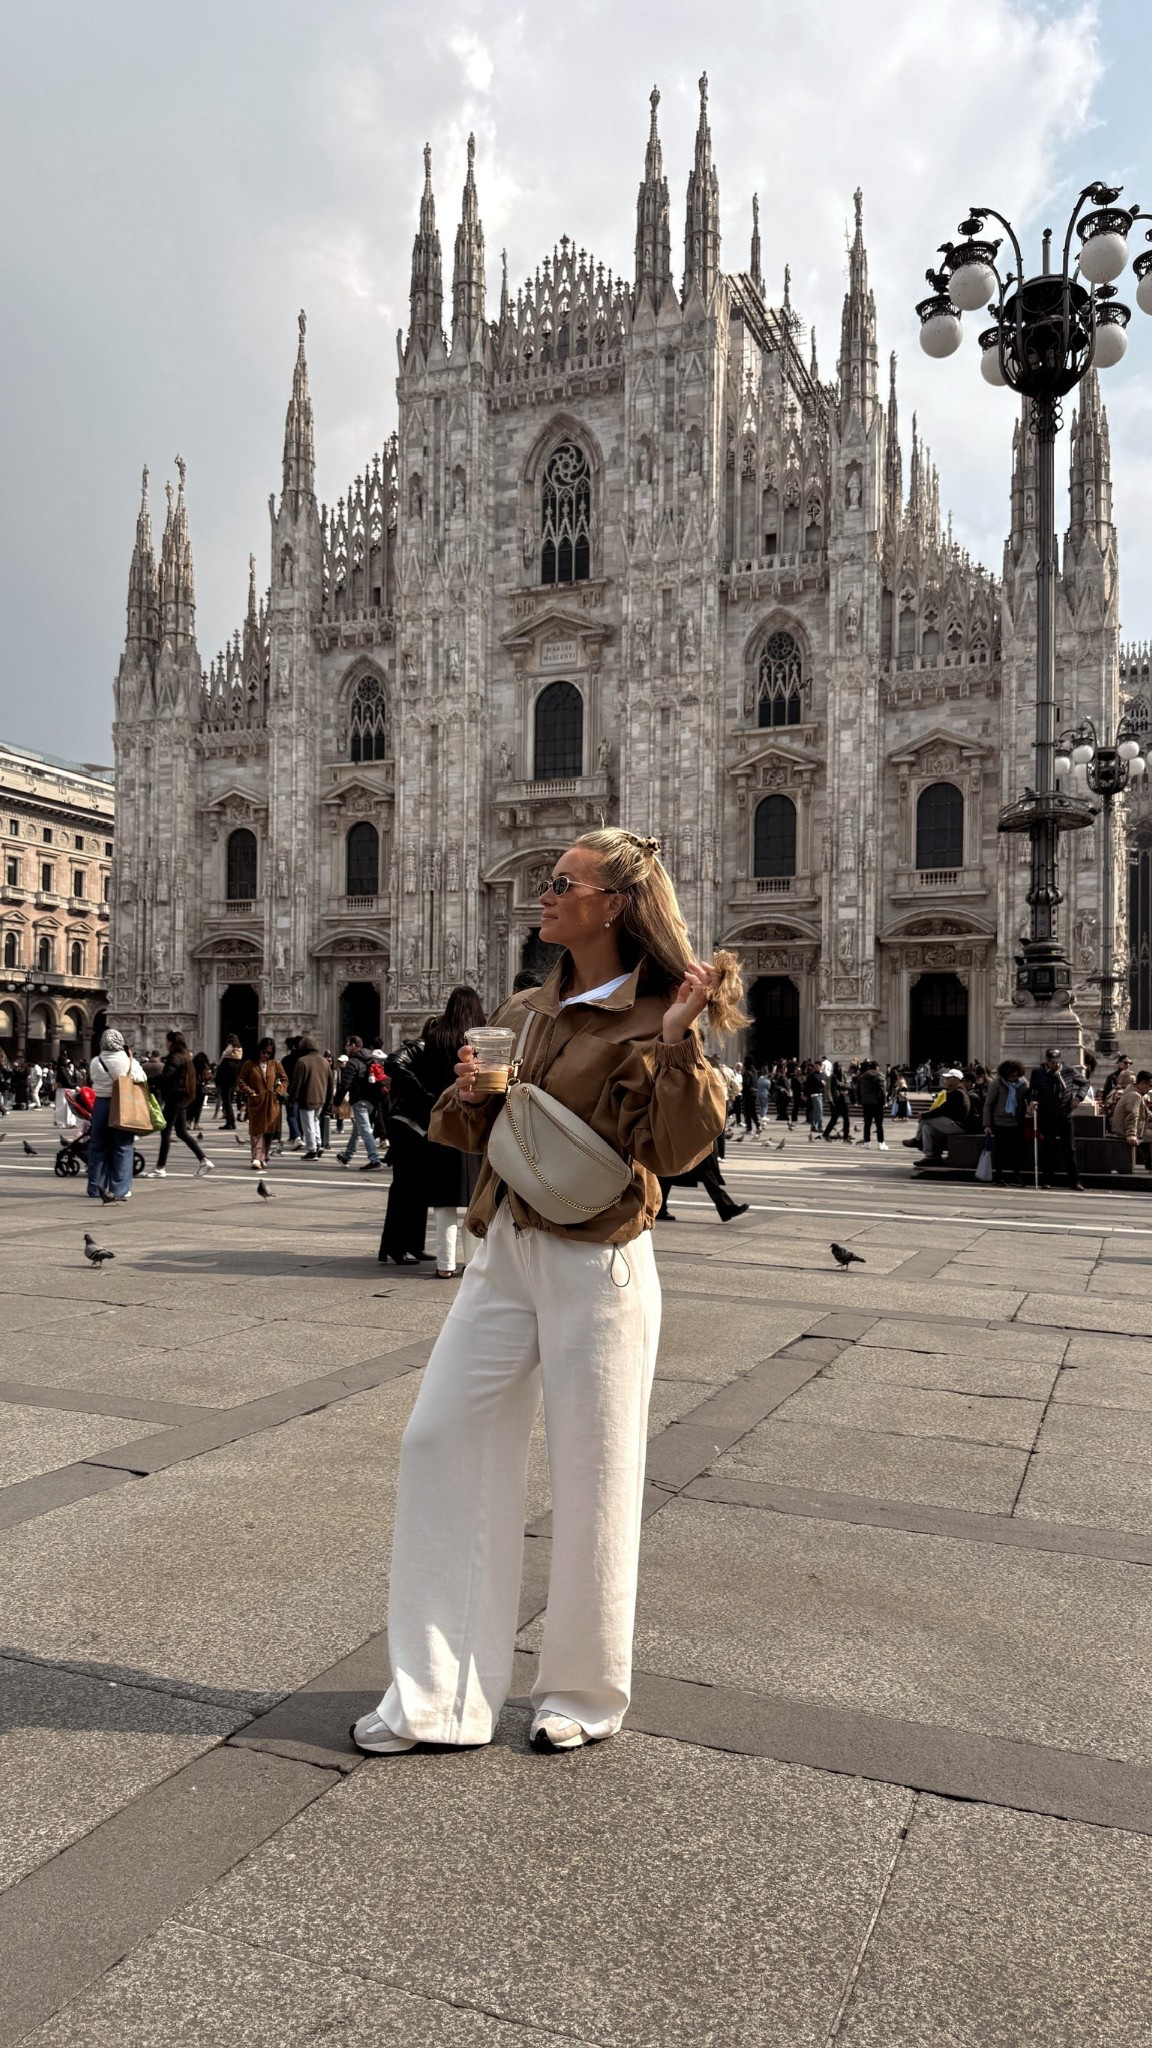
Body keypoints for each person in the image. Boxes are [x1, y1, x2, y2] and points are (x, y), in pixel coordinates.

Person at [351, 827, 738, 1759]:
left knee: (594, 1475)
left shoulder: (659, 1013)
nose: (543, 893)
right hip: (505, 1246)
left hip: (597, 1261)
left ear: (614, 906)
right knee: (439, 1438)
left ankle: (581, 1691)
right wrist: (473, 1093)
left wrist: (680, 1044)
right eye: (545, 881)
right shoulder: (528, 1006)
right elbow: (465, 1130)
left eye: (563, 882)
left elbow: (678, 1152)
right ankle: (439, 1697)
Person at [413, 985, 486, 1276]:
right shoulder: (479, 1039)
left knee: (444, 1198)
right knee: (474, 1198)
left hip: (443, 1118)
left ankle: (444, 1265)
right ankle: (473, 1262)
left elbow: (423, 1076)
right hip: (473, 1119)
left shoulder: (434, 1036)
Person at [87, 1029, 148, 1201]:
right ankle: (120, 1188)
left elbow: (94, 1079)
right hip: (122, 1104)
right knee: (123, 1146)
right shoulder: (128, 1060)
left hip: (100, 1104)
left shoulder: (96, 1061)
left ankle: (95, 1187)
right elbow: (142, 1078)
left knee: (98, 1146)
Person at [148, 1032, 212, 1178]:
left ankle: (160, 1167)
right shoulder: (185, 1056)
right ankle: (204, 1160)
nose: (165, 1044)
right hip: (182, 1098)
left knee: (165, 1132)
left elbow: (166, 1076)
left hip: (175, 1098)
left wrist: (148, 1080)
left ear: (172, 1043)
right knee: (181, 1132)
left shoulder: (175, 1057)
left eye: (167, 1041)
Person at [1028, 1047, 1083, 1192]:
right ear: (1046, 1061)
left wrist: (1078, 1098)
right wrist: (1032, 1101)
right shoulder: (1038, 1072)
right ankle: (1047, 1180)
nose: (1055, 1065)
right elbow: (1032, 1090)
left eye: (1057, 1062)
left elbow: (1085, 1083)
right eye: (1052, 1062)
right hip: (1046, 1115)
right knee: (1048, 1148)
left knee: (1069, 1149)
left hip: (1064, 1114)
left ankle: (1075, 1181)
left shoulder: (1069, 1070)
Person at [235, 1037, 288, 1169]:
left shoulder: (275, 1064)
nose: (266, 1055)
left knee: (269, 1131)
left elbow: (284, 1079)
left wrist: (279, 1091)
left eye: (269, 1053)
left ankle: (264, 1156)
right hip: (256, 1101)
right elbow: (241, 1080)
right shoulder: (249, 1064)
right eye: (264, 1052)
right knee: (256, 1131)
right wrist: (249, 1091)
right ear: (259, 1050)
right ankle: (256, 1157)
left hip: (271, 1101)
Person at [335, 1035, 383, 1170]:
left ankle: (375, 1160)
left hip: (360, 1100)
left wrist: (336, 1103)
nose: (345, 1047)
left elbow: (344, 1085)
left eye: (347, 1045)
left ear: (354, 1045)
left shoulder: (354, 1062)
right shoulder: (373, 1059)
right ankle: (347, 1156)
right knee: (358, 1128)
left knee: (365, 1130)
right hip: (372, 1100)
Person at [910, 1069, 971, 1168]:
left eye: (948, 1078)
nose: (945, 1080)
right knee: (926, 1128)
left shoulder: (958, 1093)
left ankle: (917, 1139)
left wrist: (924, 1115)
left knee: (925, 1120)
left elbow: (943, 1109)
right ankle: (930, 1157)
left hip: (958, 1125)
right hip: (952, 1123)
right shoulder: (954, 1092)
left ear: (955, 1080)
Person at [983, 1058, 1028, 1184]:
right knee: (1001, 1152)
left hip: (1017, 1122)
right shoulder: (996, 1083)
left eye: (1015, 1075)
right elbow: (988, 1105)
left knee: (1018, 1151)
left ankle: (1016, 1175)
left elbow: (1028, 1098)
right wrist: (987, 1124)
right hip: (1001, 1122)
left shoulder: (1023, 1083)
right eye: (1010, 1076)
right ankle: (998, 1175)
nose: (1013, 1078)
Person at [289, 1035, 331, 1158]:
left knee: (308, 1124)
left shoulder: (302, 1061)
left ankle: (312, 1150)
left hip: (306, 1098)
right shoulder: (324, 1061)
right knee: (315, 1121)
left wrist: (292, 1098)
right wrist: (328, 1100)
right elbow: (331, 1082)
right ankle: (318, 1144)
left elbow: (297, 1082)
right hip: (321, 1098)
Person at [1108, 1067, 1152, 1173]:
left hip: (1129, 1128)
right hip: (1124, 1130)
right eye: (1150, 1085)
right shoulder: (1134, 1095)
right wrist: (1131, 1134)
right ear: (1142, 1083)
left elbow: (1146, 1114)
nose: (1150, 1088)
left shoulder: (1135, 1093)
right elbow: (1131, 1115)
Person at [215, 1035, 243, 1133]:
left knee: (227, 1102)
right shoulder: (239, 1054)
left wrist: (217, 1080)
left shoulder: (227, 1055)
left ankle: (230, 1122)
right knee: (229, 1102)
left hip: (225, 1081)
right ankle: (231, 1122)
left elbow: (221, 1066)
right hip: (233, 1081)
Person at [857, 1060, 888, 1149]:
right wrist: (884, 1101)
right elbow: (882, 1090)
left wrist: (860, 1101)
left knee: (867, 1124)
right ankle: (881, 1143)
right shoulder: (879, 1076)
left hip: (866, 1103)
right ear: (876, 1067)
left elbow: (858, 1090)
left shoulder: (862, 1077)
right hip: (877, 1103)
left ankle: (867, 1142)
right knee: (879, 1124)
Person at [822, 1063, 852, 1143]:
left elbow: (849, 1085)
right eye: (837, 1067)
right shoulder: (831, 1077)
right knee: (834, 1119)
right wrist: (830, 1101)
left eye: (840, 1067)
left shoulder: (844, 1076)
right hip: (836, 1101)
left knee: (846, 1119)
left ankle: (845, 1137)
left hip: (844, 1099)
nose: (839, 1069)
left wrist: (840, 1084)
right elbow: (828, 1090)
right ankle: (825, 1134)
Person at [802, 1060, 825, 1140]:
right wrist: (804, 1094)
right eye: (814, 1066)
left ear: (820, 1066)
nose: (815, 1067)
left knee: (817, 1111)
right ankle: (818, 1126)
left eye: (817, 1066)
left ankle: (815, 1126)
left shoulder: (823, 1075)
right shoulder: (812, 1075)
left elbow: (825, 1085)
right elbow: (807, 1085)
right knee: (819, 1111)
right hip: (815, 1095)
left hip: (821, 1095)